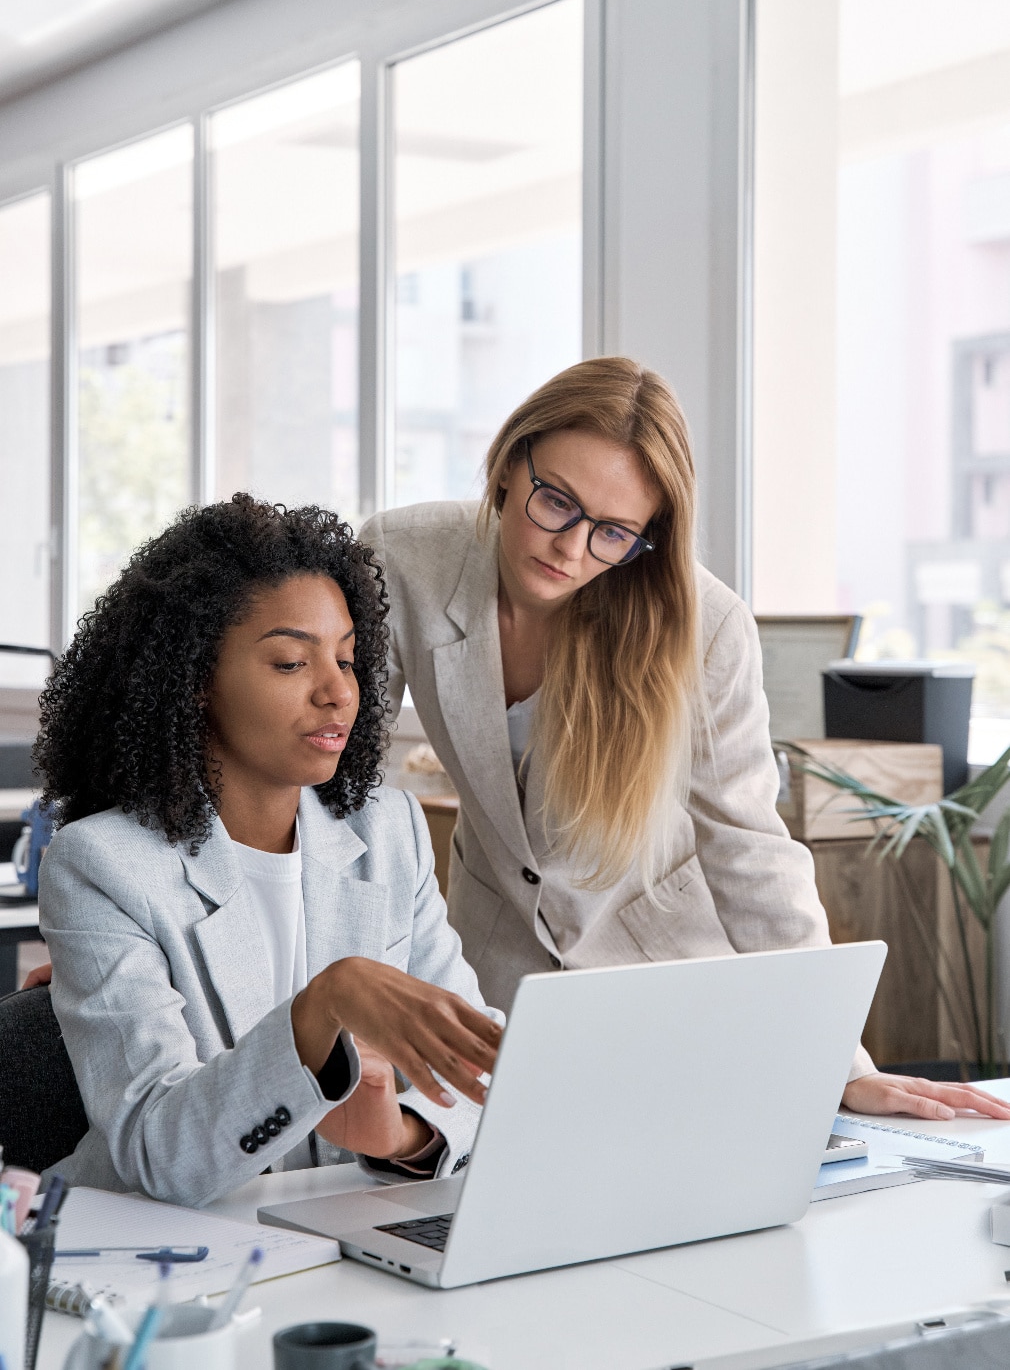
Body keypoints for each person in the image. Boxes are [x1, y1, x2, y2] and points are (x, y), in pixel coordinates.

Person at [361, 356, 1010, 1123]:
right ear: (509, 464)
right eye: (555, 501)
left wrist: (838, 1056)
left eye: (612, 532)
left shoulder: (706, 626)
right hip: (490, 966)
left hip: (663, 975)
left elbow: (750, 847)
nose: (572, 548)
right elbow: (346, 788)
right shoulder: (402, 558)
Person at [32, 495, 501, 1208]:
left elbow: (484, 1066)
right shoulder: (101, 866)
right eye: (290, 661)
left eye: (346, 658)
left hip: (337, 1236)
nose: (336, 690)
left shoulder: (390, 833)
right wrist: (325, 1005)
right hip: (148, 1253)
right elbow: (160, 1151)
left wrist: (403, 1134)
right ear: (193, 679)